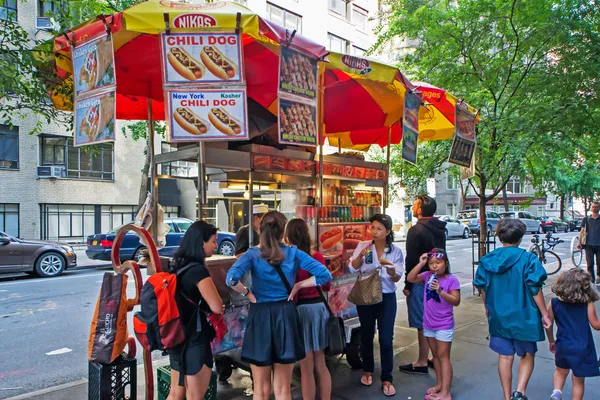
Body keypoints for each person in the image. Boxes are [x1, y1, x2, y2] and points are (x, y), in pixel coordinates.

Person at [226, 211, 332, 400]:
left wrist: (248, 293)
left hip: (260, 316)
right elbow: (324, 274)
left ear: (260, 229)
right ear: (283, 232)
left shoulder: (252, 254)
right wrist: (299, 285)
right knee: (283, 389)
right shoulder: (293, 253)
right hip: (286, 314)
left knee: (260, 388)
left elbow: (231, 279)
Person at [473, 218, 551, 400]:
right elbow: (534, 288)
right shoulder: (528, 259)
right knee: (527, 354)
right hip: (525, 315)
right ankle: (520, 392)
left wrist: (487, 308)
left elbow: (482, 287)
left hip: (499, 315)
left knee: (505, 357)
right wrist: (545, 313)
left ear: (500, 237)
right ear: (520, 237)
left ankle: (507, 397)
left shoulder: (487, 261)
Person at [167, 221, 225, 400]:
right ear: (202, 242)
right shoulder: (198, 271)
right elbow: (216, 307)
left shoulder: (177, 265)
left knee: (176, 393)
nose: (216, 245)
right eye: (213, 241)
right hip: (195, 340)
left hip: (176, 337)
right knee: (195, 396)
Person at [349, 214, 404, 397]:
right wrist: (361, 257)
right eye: (372, 227)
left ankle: (387, 378)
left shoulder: (395, 252)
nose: (374, 231)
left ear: (388, 231)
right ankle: (367, 370)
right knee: (366, 334)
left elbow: (397, 277)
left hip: (387, 297)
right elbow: (353, 267)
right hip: (366, 297)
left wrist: (391, 269)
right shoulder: (363, 246)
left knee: (386, 339)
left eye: (379, 228)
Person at [284, 218, 332, 400]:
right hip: (319, 309)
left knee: (306, 367)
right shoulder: (317, 256)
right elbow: (326, 285)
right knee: (321, 363)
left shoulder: (290, 260)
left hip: (301, 311)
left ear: (288, 236)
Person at [399, 195, 447, 375]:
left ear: (419, 210)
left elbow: (411, 260)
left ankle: (421, 361)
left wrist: (407, 285)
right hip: (438, 279)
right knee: (433, 320)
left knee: (422, 323)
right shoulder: (440, 228)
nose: (412, 207)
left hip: (421, 280)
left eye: (415, 204)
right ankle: (434, 358)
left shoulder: (416, 230)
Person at [407, 249, 460, 400]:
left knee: (444, 357)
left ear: (446, 263)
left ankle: (446, 392)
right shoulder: (427, 276)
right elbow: (411, 278)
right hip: (428, 323)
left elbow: (456, 301)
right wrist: (421, 263)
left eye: (438, 263)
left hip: (444, 324)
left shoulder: (451, 280)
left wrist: (440, 291)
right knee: (435, 356)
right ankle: (440, 385)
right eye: (431, 263)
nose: (434, 266)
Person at [545, 268, 600, 400]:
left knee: (560, 372)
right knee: (578, 380)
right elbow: (596, 325)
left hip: (563, 344)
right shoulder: (587, 304)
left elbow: (548, 324)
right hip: (583, 347)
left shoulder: (554, 303)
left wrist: (552, 341)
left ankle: (557, 392)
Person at [577, 201, 600, 284]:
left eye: (596, 207)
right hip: (588, 245)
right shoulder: (586, 219)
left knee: (599, 263)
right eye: (593, 207)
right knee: (590, 263)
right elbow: (582, 231)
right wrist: (579, 242)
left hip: (599, 245)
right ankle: (591, 279)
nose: (594, 208)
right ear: (591, 208)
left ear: (599, 208)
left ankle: (598, 275)